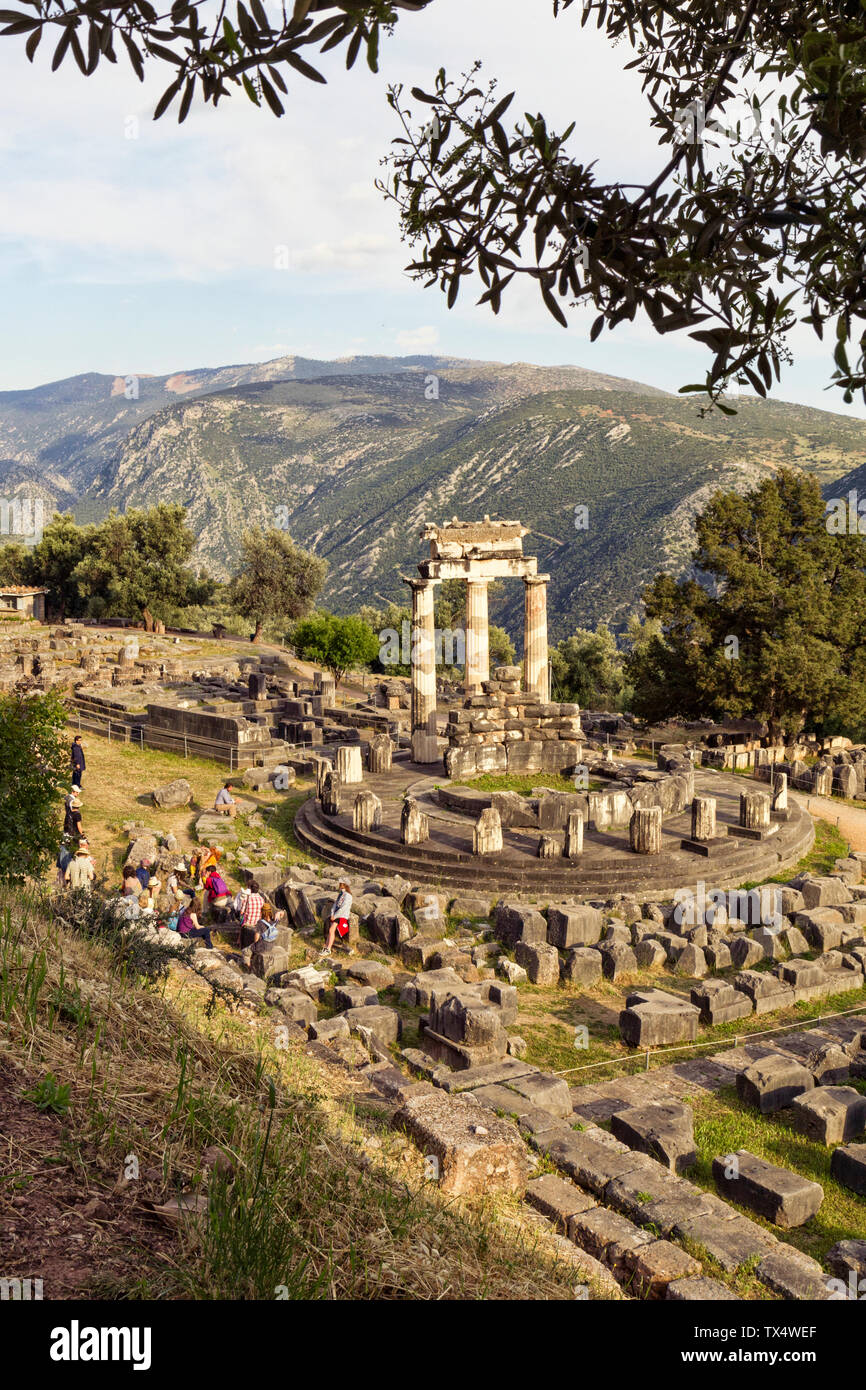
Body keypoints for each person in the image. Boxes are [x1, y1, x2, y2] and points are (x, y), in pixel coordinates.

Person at [324, 878, 353, 955]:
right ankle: (326, 947)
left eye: (341, 883)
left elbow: (344, 908)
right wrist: (332, 914)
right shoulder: (341, 894)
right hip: (335, 915)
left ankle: (328, 949)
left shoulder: (348, 896)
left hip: (341, 916)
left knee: (331, 930)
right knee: (330, 931)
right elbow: (335, 905)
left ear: (345, 885)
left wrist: (335, 916)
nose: (339, 885)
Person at [238, 878, 265, 948]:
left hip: (249, 923)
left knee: (241, 921)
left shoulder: (247, 898)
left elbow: (241, 912)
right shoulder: (261, 899)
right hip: (258, 922)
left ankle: (239, 941)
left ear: (249, 889)